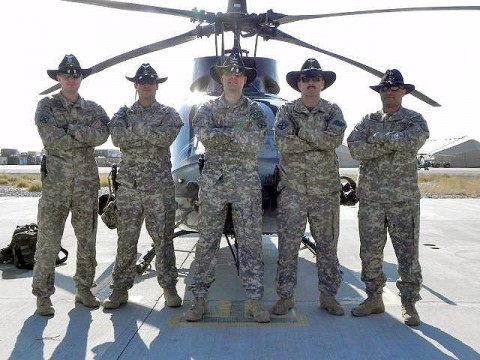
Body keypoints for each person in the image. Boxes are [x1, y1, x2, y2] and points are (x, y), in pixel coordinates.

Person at [185, 54, 270, 323]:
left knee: (251, 244)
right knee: (207, 242)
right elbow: (206, 137)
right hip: (214, 185)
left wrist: (223, 133)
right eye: (228, 74)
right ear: (221, 78)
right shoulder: (206, 109)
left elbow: (255, 142)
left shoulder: (255, 109)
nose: (233, 78)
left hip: (246, 185)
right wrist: (236, 133)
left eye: (238, 74)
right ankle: (199, 301)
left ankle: (255, 301)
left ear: (245, 79)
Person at [347, 69, 429, 326]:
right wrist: (392, 142)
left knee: (407, 254)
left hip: (403, 200)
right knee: (370, 252)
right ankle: (374, 298)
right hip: (371, 199)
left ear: (404, 91)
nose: (390, 92)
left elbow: (413, 141)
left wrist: (378, 140)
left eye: (395, 88)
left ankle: (409, 304)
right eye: (385, 89)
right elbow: (355, 148)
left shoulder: (414, 120)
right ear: (380, 92)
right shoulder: (367, 120)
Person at [33, 54, 110, 315]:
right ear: (58, 78)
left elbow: (102, 135)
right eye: (66, 74)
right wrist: (83, 135)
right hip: (55, 187)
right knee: (48, 242)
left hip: (86, 187)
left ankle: (84, 289)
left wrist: (72, 131)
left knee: (87, 240)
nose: (70, 78)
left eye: (75, 74)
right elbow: (50, 137)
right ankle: (43, 295)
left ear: (81, 78)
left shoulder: (95, 109)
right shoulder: (46, 106)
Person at [102, 63, 183, 309]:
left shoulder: (170, 113)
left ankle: (169, 288)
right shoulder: (122, 113)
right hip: (129, 187)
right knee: (126, 240)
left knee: (163, 239)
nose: (146, 85)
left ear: (156, 85)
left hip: (159, 189)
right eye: (142, 81)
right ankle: (119, 289)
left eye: (150, 81)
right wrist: (150, 132)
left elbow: (165, 138)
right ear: (136, 86)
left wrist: (136, 131)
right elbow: (117, 138)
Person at [273, 58, 347, 316]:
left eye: (315, 78)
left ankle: (329, 297)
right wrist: (318, 139)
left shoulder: (333, 110)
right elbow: (283, 142)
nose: (311, 82)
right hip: (292, 190)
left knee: (327, 247)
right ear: (299, 84)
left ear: (322, 83)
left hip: (325, 191)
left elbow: (334, 140)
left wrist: (300, 134)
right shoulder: (286, 111)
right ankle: (285, 297)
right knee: (288, 247)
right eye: (306, 78)